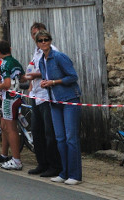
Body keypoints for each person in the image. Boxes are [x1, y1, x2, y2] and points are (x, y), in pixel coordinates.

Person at [38, 31, 82, 185]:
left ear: (50, 41)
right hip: (54, 102)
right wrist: (44, 83)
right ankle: (64, 172)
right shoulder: (41, 61)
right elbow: (46, 79)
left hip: (69, 98)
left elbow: (72, 76)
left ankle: (75, 175)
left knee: (71, 138)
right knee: (60, 139)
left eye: (46, 40)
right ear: (37, 43)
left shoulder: (59, 56)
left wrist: (54, 82)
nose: (44, 42)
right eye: (40, 40)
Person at [24, 23, 62, 177]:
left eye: (39, 33)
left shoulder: (53, 51)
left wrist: (35, 76)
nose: (37, 37)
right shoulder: (36, 51)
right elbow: (33, 69)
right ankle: (42, 163)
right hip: (35, 94)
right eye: (34, 34)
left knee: (49, 133)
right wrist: (31, 83)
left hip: (47, 96)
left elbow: (52, 71)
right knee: (36, 131)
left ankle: (54, 165)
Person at [0, 40, 25, 171]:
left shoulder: (4, 64)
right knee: (4, 126)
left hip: (9, 98)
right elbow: (23, 77)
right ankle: (5, 155)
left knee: (11, 129)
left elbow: (7, 84)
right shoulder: (15, 61)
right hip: (16, 97)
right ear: (9, 49)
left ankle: (16, 160)